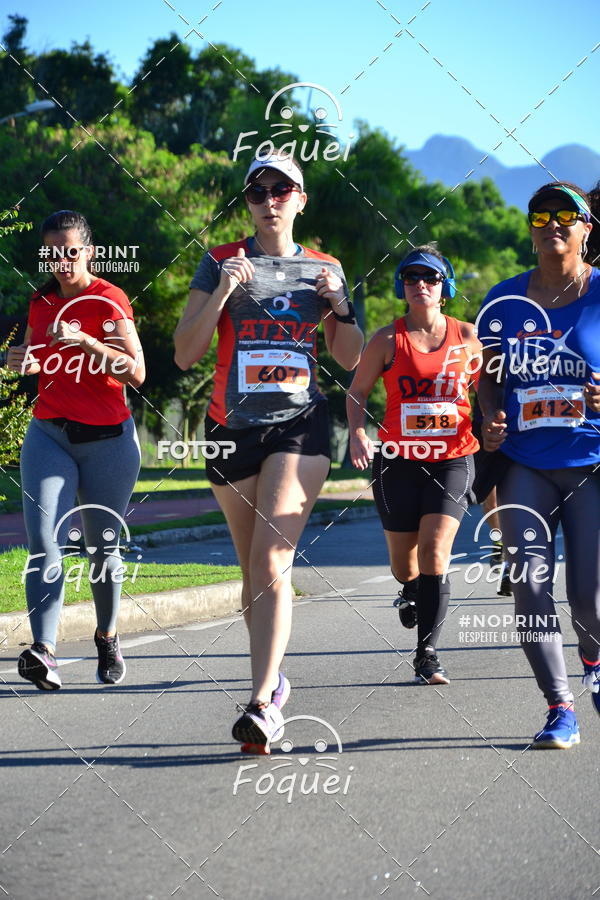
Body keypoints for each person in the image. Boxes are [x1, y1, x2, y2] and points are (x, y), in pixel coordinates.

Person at [174, 153, 363, 749]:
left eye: (282, 189)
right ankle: (275, 679)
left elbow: (352, 356)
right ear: (248, 203)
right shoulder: (219, 262)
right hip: (231, 427)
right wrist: (224, 290)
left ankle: (260, 704)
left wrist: (341, 305)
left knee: (272, 559)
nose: (269, 198)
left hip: (299, 426)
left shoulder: (326, 268)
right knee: (251, 569)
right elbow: (184, 353)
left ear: (300, 200)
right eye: (257, 191)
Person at [477, 181, 600, 748]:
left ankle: (593, 663)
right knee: (530, 583)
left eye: (566, 214)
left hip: (589, 461)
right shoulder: (503, 303)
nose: (552, 223)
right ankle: (559, 707)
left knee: (588, 598)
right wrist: (492, 419)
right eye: (540, 215)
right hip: (525, 463)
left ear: (586, 227)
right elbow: (490, 381)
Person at [7, 210, 145, 690]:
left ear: (88, 251)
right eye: (53, 252)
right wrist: (18, 360)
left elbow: (136, 372)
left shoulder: (110, 300)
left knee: (102, 550)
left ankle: (106, 636)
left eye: (71, 251)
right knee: (45, 541)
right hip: (50, 435)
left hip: (108, 442)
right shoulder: (40, 302)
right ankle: (44, 651)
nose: (62, 261)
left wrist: (86, 339)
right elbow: (32, 356)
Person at [347, 246, 481, 684]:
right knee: (405, 565)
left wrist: (496, 426)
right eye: (411, 278)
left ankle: (428, 654)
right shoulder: (387, 339)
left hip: (453, 459)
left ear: (445, 288)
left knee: (435, 550)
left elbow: (490, 390)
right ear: (402, 287)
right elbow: (357, 391)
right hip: (398, 462)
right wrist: (357, 432)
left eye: (431, 278)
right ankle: (409, 589)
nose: (420, 285)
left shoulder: (467, 337)